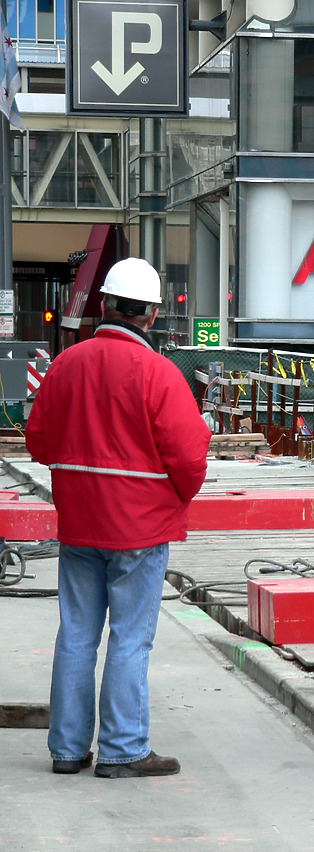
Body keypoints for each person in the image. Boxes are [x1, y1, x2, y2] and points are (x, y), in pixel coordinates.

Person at [25, 258, 212, 777]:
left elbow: (38, 440)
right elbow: (189, 458)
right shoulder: (159, 374)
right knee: (130, 638)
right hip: (140, 532)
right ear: (151, 315)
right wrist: (174, 497)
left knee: (76, 635)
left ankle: (67, 750)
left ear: (104, 306)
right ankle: (123, 749)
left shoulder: (66, 364)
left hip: (80, 525)